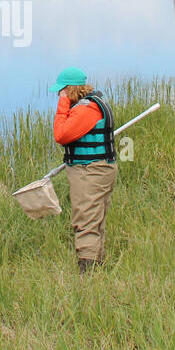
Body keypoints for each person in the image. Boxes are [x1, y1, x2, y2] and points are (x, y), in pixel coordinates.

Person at [51, 67, 117, 273]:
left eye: (60, 92)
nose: (58, 96)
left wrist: (63, 105)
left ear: (69, 90)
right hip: (94, 170)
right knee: (94, 218)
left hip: (91, 172)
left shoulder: (86, 109)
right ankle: (96, 263)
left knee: (86, 219)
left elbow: (61, 135)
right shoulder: (90, 104)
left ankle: (87, 271)